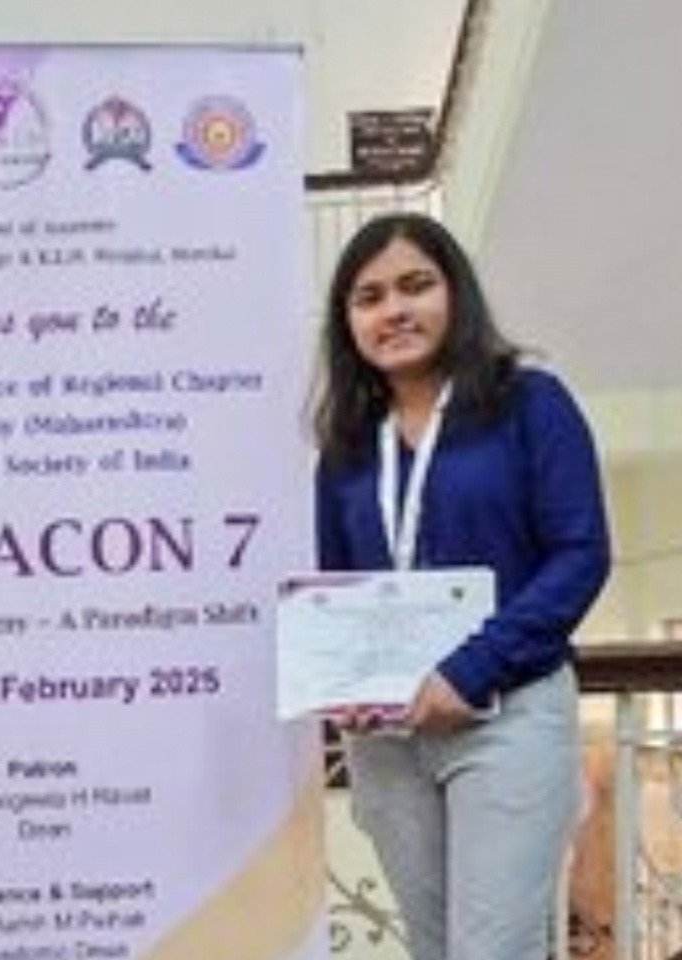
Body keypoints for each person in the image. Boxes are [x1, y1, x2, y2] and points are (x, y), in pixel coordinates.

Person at [311, 212, 610, 960]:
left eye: (415, 286)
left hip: (507, 711)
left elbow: (580, 555)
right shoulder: (347, 448)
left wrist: (471, 668)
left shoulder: (530, 404)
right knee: (435, 949)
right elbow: (340, 589)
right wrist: (345, 685)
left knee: (492, 950)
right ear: (348, 323)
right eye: (369, 297)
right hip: (388, 735)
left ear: (456, 294)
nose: (394, 310)